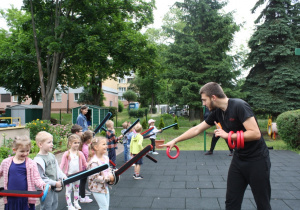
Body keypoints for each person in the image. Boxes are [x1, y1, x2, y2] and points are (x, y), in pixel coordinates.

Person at [162, 82, 271, 210]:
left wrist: (228, 135)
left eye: (204, 100)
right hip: (239, 159)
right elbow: (197, 129)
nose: (203, 104)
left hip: (257, 160)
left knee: (262, 204)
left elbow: (255, 133)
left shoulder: (239, 106)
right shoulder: (218, 112)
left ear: (213, 97)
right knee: (231, 203)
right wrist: (175, 140)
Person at [0, 136, 48, 210]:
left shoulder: (31, 163)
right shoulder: (6, 162)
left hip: (26, 198)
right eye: (22, 151)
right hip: (11, 197)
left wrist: (43, 185)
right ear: (14, 150)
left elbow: (36, 178)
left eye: (27, 151)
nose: (25, 153)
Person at [34, 131, 67, 210]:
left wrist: (63, 176)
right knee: (47, 206)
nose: (52, 144)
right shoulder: (38, 160)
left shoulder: (51, 156)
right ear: (40, 144)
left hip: (54, 186)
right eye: (49, 142)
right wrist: (54, 183)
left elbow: (57, 169)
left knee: (54, 204)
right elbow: (40, 177)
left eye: (52, 142)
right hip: (46, 188)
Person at [60, 134, 88, 210]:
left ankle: (76, 202)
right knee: (68, 191)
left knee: (76, 189)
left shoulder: (80, 153)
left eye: (78, 143)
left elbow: (85, 163)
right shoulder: (66, 154)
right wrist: (60, 174)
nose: (77, 144)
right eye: (75, 143)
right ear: (70, 143)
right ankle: (69, 205)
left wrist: (90, 166)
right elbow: (62, 165)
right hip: (69, 175)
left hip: (78, 175)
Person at [87, 137, 115, 210]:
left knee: (106, 207)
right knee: (104, 207)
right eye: (103, 144)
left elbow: (108, 169)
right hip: (96, 187)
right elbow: (95, 177)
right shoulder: (94, 162)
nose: (106, 146)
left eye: (106, 144)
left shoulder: (106, 158)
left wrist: (111, 175)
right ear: (96, 147)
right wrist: (107, 179)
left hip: (105, 186)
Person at [78, 130, 94, 203]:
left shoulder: (84, 145)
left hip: (82, 167)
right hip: (84, 168)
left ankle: (80, 196)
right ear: (89, 139)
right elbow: (87, 159)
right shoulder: (85, 148)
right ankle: (82, 197)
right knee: (83, 182)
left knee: (82, 182)